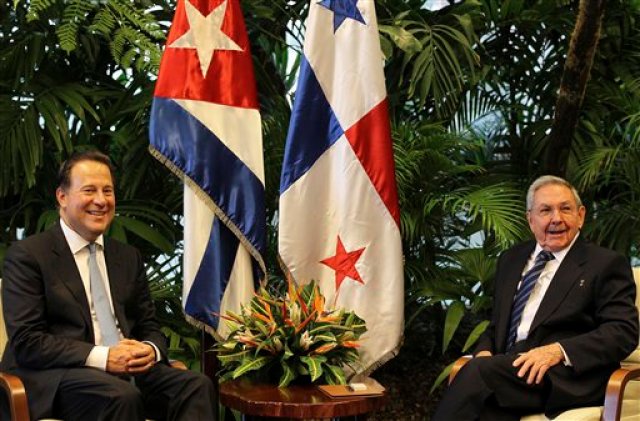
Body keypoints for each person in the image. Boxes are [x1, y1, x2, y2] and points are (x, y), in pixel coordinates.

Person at [0, 151, 216, 420]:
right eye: (89, 190)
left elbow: (149, 326)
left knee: (197, 386)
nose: (101, 201)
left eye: (108, 191)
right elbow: (27, 341)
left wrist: (149, 349)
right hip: (58, 376)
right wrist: (103, 357)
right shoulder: (29, 255)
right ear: (62, 197)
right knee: (119, 396)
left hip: (127, 371)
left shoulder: (126, 256)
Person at [433, 175, 639, 420]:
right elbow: (496, 325)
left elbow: (622, 332)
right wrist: (485, 352)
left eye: (565, 209)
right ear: (530, 219)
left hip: (561, 377)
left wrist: (558, 351)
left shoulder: (604, 264)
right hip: (508, 372)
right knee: (486, 405)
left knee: (477, 374)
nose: (557, 219)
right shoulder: (511, 259)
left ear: (581, 215)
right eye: (545, 210)